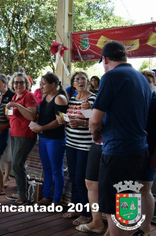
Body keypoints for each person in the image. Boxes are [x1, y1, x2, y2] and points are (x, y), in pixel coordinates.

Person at [89, 41, 151, 236]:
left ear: (105, 59)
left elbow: (95, 118)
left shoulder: (111, 76)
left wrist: (94, 132)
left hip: (117, 152)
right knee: (127, 203)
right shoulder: (141, 78)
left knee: (115, 209)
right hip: (139, 150)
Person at [56, 71, 96, 226]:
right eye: (77, 79)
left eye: (83, 79)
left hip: (85, 145)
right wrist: (64, 120)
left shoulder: (92, 98)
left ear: (88, 82)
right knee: (72, 177)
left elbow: (93, 122)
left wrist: (81, 122)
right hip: (71, 143)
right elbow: (71, 118)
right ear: (72, 84)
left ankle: (86, 214)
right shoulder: (72, 99)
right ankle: (75, 207)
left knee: (81, 179)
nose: (81, 81)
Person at [31, 73, 68, 206]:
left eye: (44, 83)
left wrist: (42, 128)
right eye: (41, 83)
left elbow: (60, 122)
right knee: (46, 169)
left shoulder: (60, 98)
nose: (41, 86)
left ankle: (56, 200)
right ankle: (46, 196)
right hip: (44, 138)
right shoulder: (45, 97)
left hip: (55, 139)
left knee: (56, 170)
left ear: (53, 85)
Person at [5, 72, 38, 205]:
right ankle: (21, 192)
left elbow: (32, 117)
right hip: (14, 133)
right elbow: (11, 117)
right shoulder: (14, 96)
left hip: (25, 134)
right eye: (16, 82)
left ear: (26, 84)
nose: (18, 85)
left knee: (17, 164)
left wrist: (17, 105)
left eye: (21, 82)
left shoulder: (29, 96)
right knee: (17, 164)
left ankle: (22, 195)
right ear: (12, 84)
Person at [131, 70, 156, 236]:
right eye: (142, 81)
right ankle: (133, 224)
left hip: (150, 151)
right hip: (133, 151)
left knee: (145, 188)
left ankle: (146, 227)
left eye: (149, 81)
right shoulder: (136, 100)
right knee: (132, 188)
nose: (145, 84)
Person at [0, 74, 15, 187]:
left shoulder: (12, 95)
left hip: (8, 128)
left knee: (7, 154)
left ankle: (6, 178)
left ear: (5, 84)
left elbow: (11, 115)